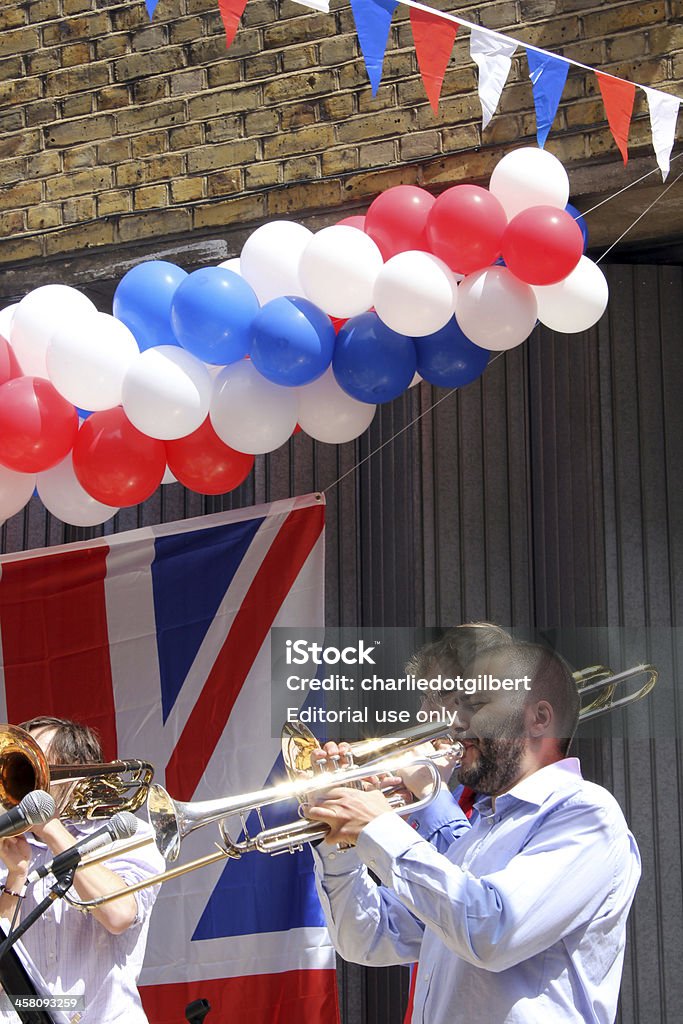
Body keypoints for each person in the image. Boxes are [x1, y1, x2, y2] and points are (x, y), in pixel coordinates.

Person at [307, 640, 641, 1024]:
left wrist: (378, 826)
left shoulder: (585, 812)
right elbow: (367, 939)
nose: (456, 723)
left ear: (539, 718)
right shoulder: (479, 830)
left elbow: (493, 931)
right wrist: (339, 843)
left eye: (476, 705)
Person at [0, 716, 165, 1024]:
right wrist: (16, 875)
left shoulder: (126, 833)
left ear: (77, 773)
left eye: (36, 762)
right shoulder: (7, 844)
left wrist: (51, 829)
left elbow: (119, 915)